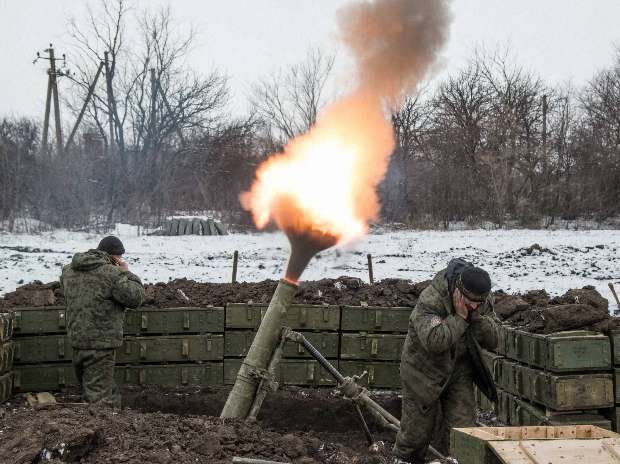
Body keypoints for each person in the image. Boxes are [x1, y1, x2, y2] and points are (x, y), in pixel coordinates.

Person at [393, 258, 499, 464]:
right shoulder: (431, 300)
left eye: (479, 303)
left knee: (464, 430)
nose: (475, 306)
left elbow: (494, 340)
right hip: (422, 371)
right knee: (416, 433)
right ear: (458, 291)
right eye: (470, 303)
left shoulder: (481, 300)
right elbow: (435, 342)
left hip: (459, 369)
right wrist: (460, 318)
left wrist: (475, 318)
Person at [60, 235, 144, 407]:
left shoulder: (68, 271)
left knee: (94, 388)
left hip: (77, 341)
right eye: (119, 258)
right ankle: (100, 429)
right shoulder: (112, 273)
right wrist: (126, 272)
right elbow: (135, 298)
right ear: (114, 257)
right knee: (99, 399)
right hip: (100, 345)